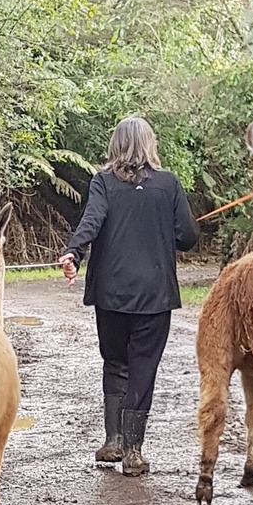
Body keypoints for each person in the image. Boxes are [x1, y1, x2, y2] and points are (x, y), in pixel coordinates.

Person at [58, 116, 199, 476]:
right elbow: (188, 236)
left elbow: (92, 220)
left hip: (111, 294)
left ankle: (113, 441)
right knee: (143, 368)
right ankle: (133, 452)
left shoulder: (103, 182)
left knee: (115, 362)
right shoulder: (168, 185)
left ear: (115, 145)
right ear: (150, 144)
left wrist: (74, 251)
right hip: (154, 295)